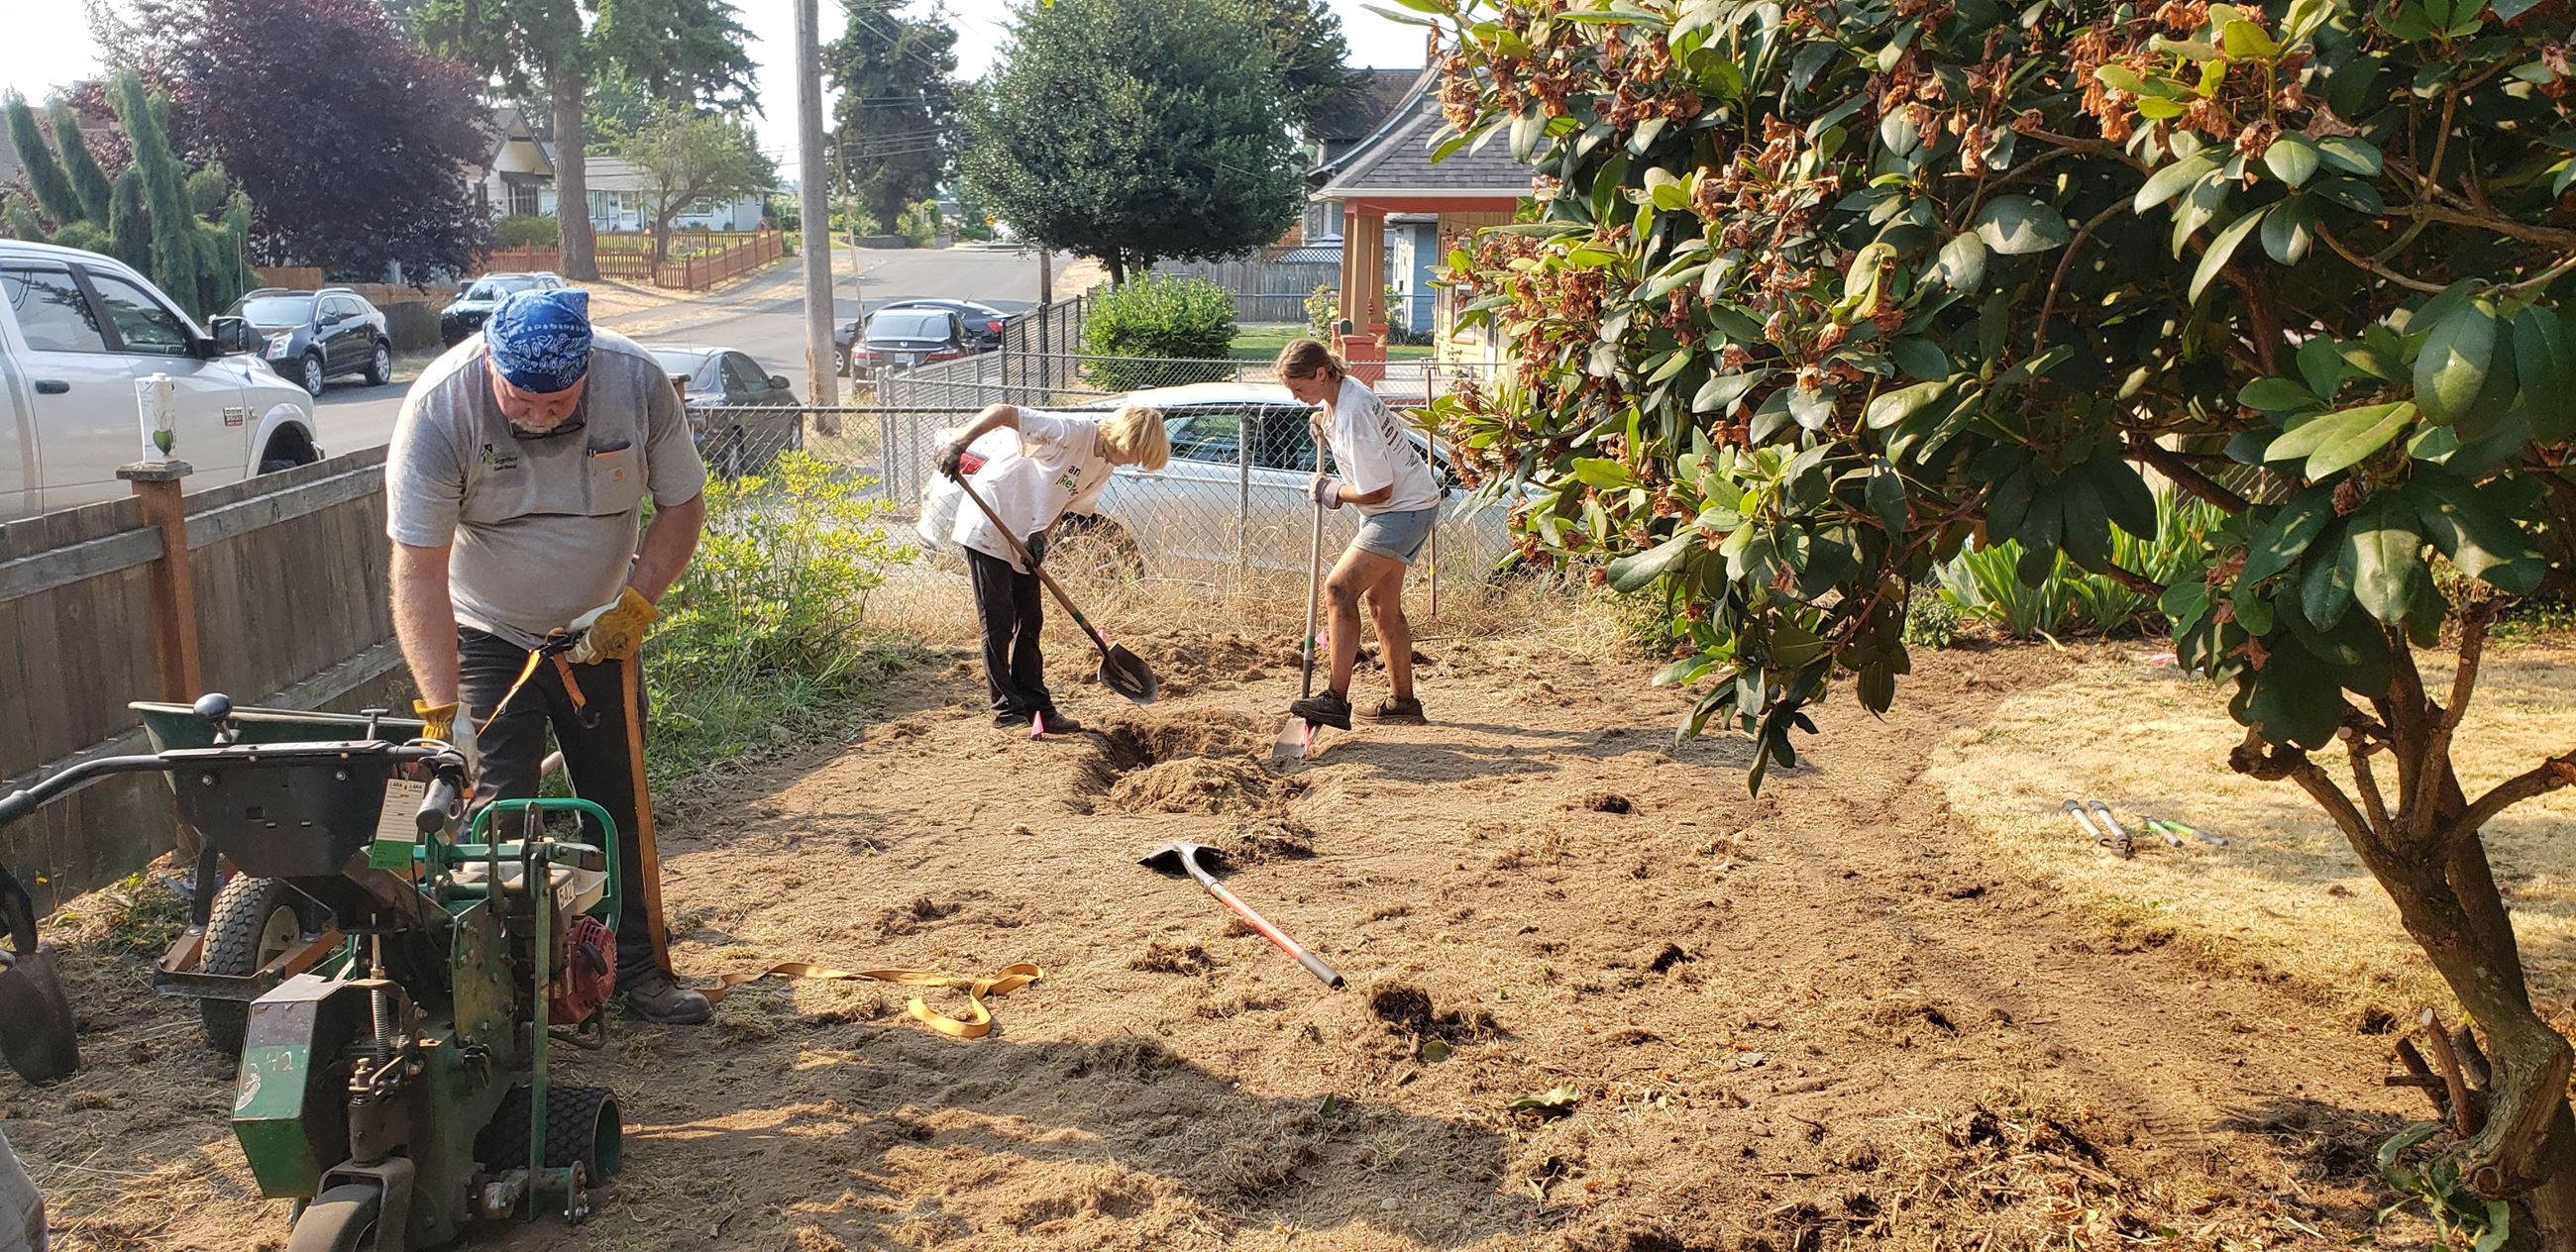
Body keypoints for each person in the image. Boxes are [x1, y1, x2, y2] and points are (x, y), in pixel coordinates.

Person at [384, 287, 714, 1025]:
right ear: (490, 366)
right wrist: (442, 712)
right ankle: (506, 994)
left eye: (558, 402)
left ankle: (636, 972)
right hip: (489, 634)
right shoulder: (442, 407)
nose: (538, 415)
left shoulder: (636, 383)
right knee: (496, 813)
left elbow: (683, 506)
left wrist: (635, 603)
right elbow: (417, 569)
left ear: (588, 370)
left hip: (600, 633)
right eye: (520, 401)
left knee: (617, 806)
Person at [936, 403, 1170, 732]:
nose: (1134, 462)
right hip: (990, 521)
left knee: (1030, 621)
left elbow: (1064, 500)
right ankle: (1006, 711)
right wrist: (958, 444)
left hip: (1023, 536)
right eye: (1135, 453)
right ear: (1123, 436)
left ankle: (1038, 707)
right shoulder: (1070, 431)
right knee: (999, 620)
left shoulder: (1103, 466)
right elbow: (1005, 412)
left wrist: (1041, 536)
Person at [1277, 339, 1441, 729]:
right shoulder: (1341, 401)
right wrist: (1325, 422)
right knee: (1382, 606)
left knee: (1338, 590)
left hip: (1400, 509)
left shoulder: (1353, 412)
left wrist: (1329, 490)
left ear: (1321, 374)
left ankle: (1335, 699)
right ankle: (1403, 704)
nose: (1298, 398)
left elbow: (1379, 489)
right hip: (1409, 504)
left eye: (1300, 389)